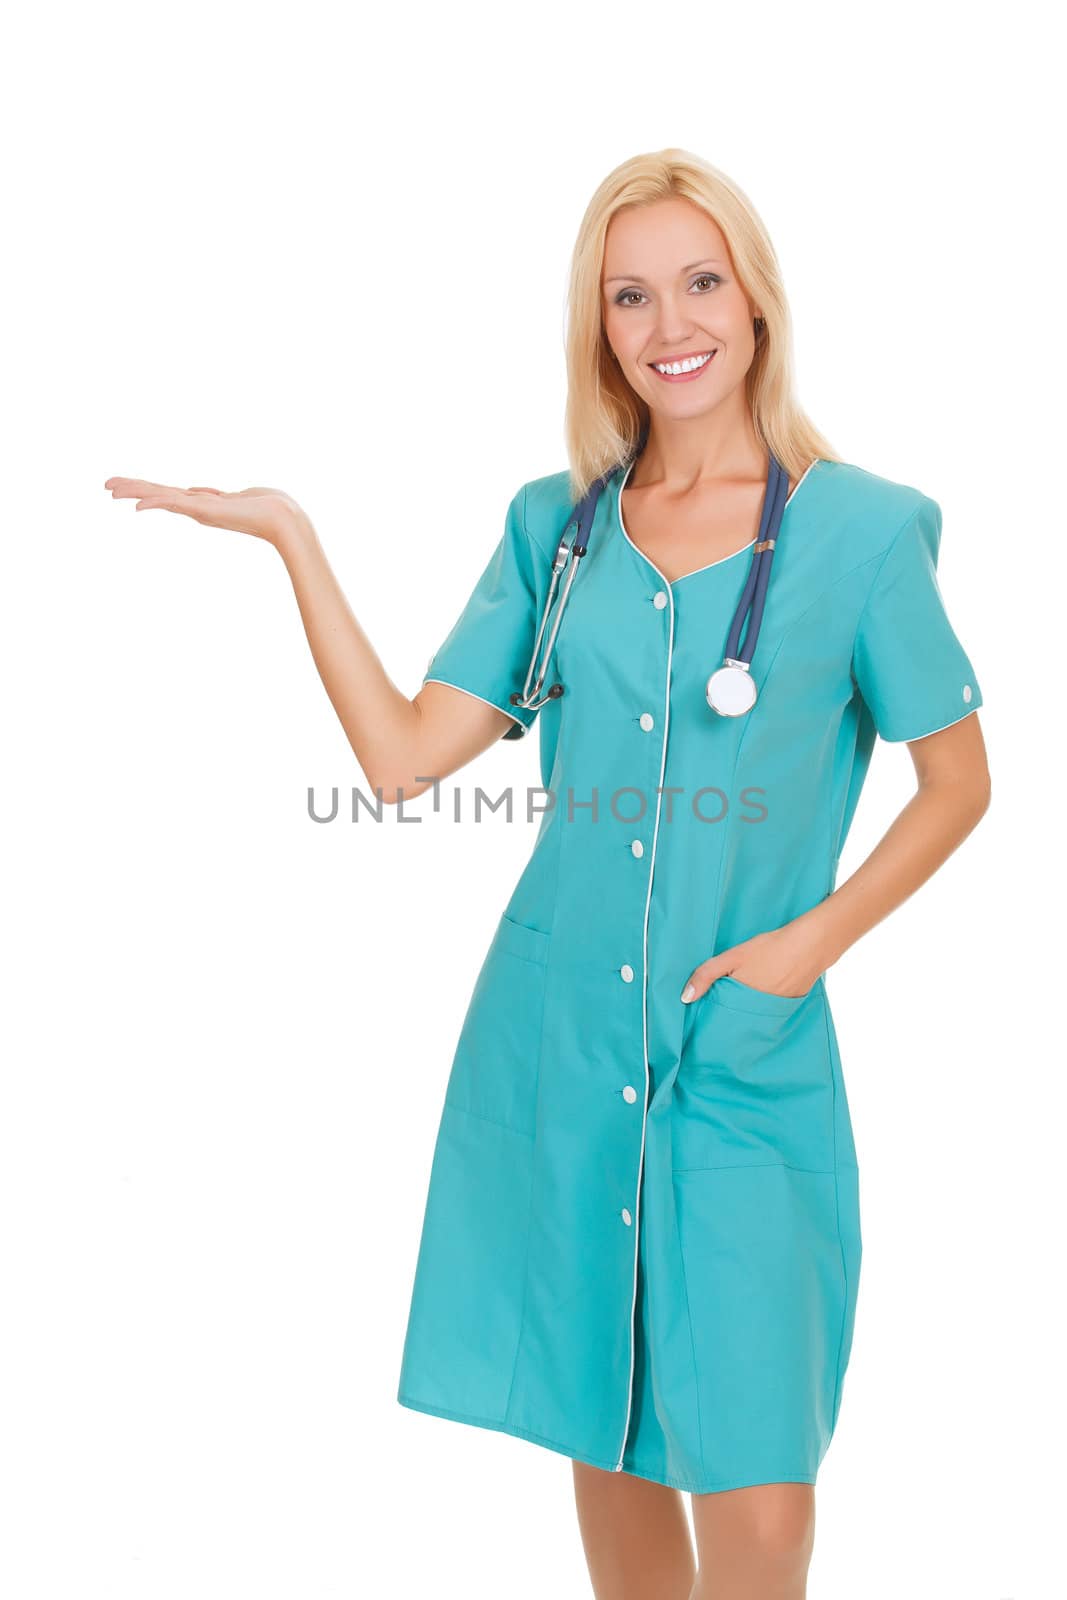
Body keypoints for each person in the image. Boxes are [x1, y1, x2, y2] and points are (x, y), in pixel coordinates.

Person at [104, 147, 991, 1600]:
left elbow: (958, 783)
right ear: (600, 327)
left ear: (756, 302)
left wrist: (801, 949)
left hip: (746, 1058)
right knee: (618, 1443)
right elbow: (399, 759)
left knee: (763, 1510)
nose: (667, 324)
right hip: (562, 1046)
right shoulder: (558, 530)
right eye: (629, 295)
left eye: (698, 282)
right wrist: (293, 540)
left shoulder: (865, 532)